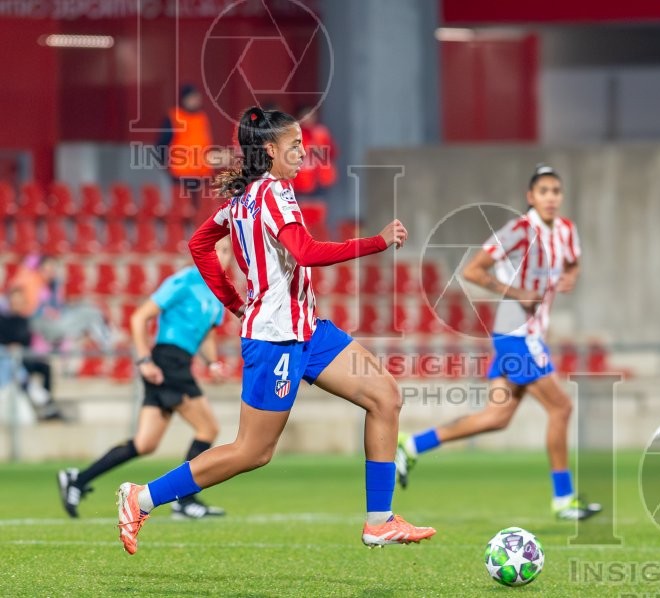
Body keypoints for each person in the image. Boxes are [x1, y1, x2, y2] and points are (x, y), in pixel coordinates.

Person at [115, 106, 435, 555]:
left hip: (308, 330)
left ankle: (379, 521)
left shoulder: (242, 201)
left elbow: (199, 243)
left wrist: (232, 302)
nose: (304, 152)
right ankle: (141, 497)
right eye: (295, 145)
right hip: (276, 339)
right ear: (270, 150)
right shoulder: (272, 194)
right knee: (252, 452)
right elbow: (304, 252)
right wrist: (376, 242)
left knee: (385, 395)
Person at [395, 164, 602, 521]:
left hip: (530, 335)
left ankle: (412, 445)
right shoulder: (520, 231)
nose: (551, 197)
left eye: (556, 191)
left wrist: (569, 277)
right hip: (515, 335)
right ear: (530, 197)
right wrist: (515, 291)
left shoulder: (566, 231)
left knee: (496, 417)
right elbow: (473, 270)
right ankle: (563, 498)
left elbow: (573, 264)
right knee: (561, 408)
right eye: (544, 191)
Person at [58, 239, 233, 520]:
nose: (221, 258)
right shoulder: (184, 280)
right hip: (167, 361)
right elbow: (140, 317)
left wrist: (212, 364)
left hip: (179, 363)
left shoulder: (218, 293)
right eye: (216, 251)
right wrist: (143, 360)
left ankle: (77, 479)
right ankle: (185, 501)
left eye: (227, 252)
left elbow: (208, 334)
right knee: (208, 428)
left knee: (145, 444)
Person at [0, 288, 65, 421]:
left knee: (45, 367)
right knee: (15, 367)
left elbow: (27, 342)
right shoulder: (3, 320)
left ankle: (45, 402)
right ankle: (44, 402)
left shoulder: (25, 321)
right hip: (6, 359)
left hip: (23, 357)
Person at [158, 83, 215, 210]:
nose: (196, 101)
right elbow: (162, 142)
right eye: (192, 98)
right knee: (181, 209)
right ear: (184, 99)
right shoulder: (174, 117)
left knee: (201, 210)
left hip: (202, 173)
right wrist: (164, 162)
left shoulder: (202, 117)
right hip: (181, 173)